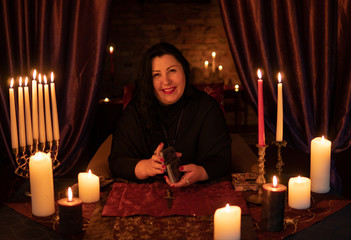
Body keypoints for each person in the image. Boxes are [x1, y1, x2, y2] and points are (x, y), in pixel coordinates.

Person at [108, 42, 231, 187]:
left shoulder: (206, 107)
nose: (166, 81)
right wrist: (146, 167)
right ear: (148, 81)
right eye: (156, 75)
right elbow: (116, 161)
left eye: (172, 70)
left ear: (184, 70)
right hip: (146, 199)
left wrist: (201, 172)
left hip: (199, 193)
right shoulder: (135, 111)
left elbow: (223, 159)